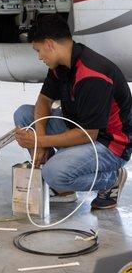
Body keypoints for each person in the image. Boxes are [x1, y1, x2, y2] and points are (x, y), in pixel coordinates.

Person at [14, 14, 132, 210]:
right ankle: (64, 190)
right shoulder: (60, 65)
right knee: (24, 115)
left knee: (53, 173)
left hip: (109, 143)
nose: (39, 57)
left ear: (50, 44)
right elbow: (44, 100)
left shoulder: (92, 74)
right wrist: (40, 142)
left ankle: (110, 179)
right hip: (79, 127)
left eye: (39, 50)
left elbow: (89, 134)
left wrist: (38, 141)